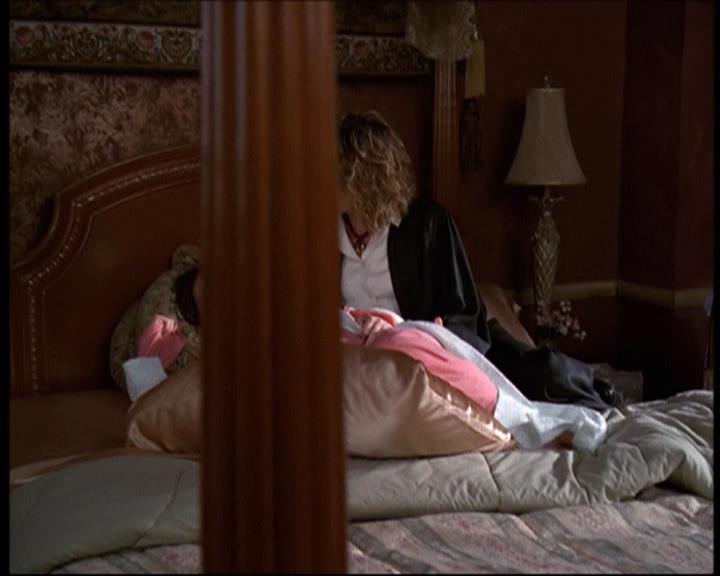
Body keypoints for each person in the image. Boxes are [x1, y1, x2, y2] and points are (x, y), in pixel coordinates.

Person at [337, 111, 619, 411]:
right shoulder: (322, 236)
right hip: (368, 366)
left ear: (360, 177)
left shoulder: (426, 225)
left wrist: (416, 333)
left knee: (541, 375)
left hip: (436, 355)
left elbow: (464, 314)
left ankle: (596, 386)